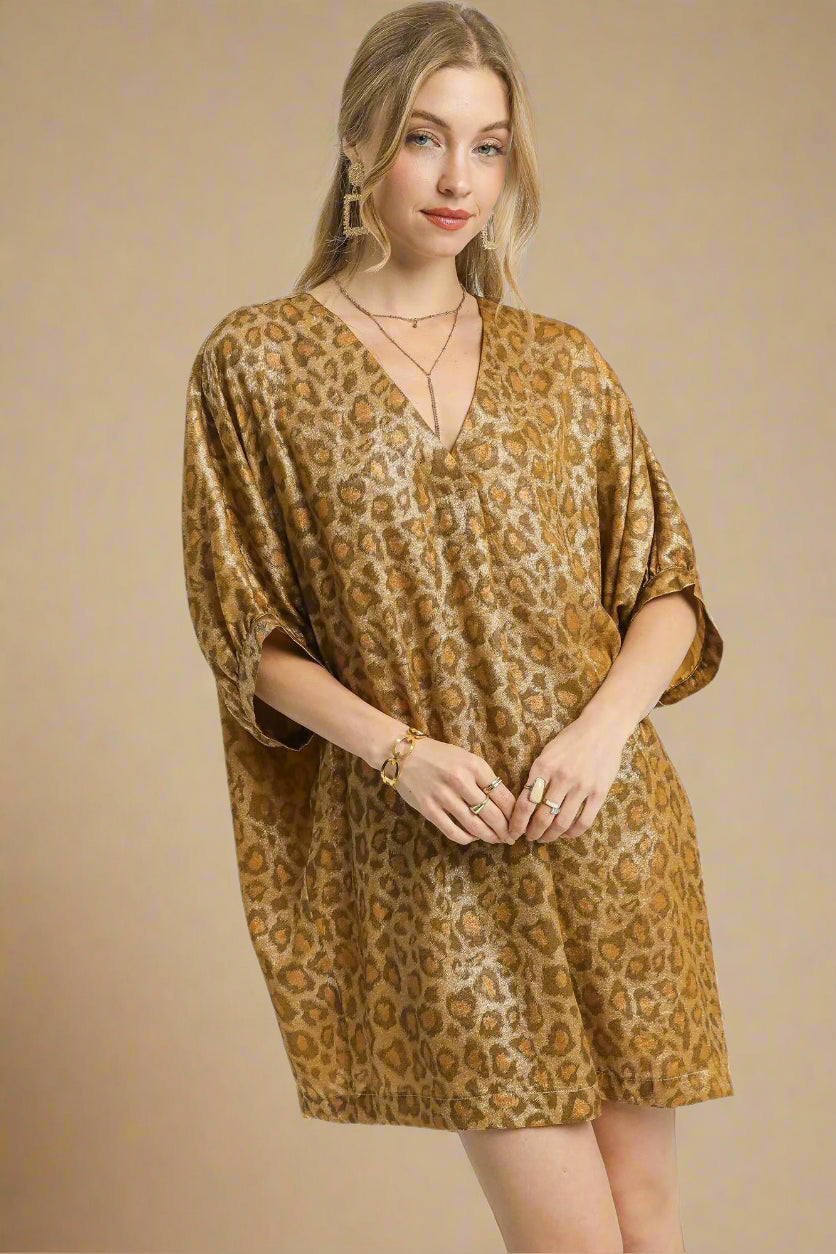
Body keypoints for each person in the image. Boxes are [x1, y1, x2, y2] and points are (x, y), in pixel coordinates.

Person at [180, 4, 733, 1250]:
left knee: (645, 1222)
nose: (455, 178)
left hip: (608, 824)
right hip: (441, 844)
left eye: (486, 146)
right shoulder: (255, 364)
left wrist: (600, 737)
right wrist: (397, 752)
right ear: (359, 139)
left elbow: (664, 586)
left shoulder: (562, 363)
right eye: (425, 138)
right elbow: (243, 629)